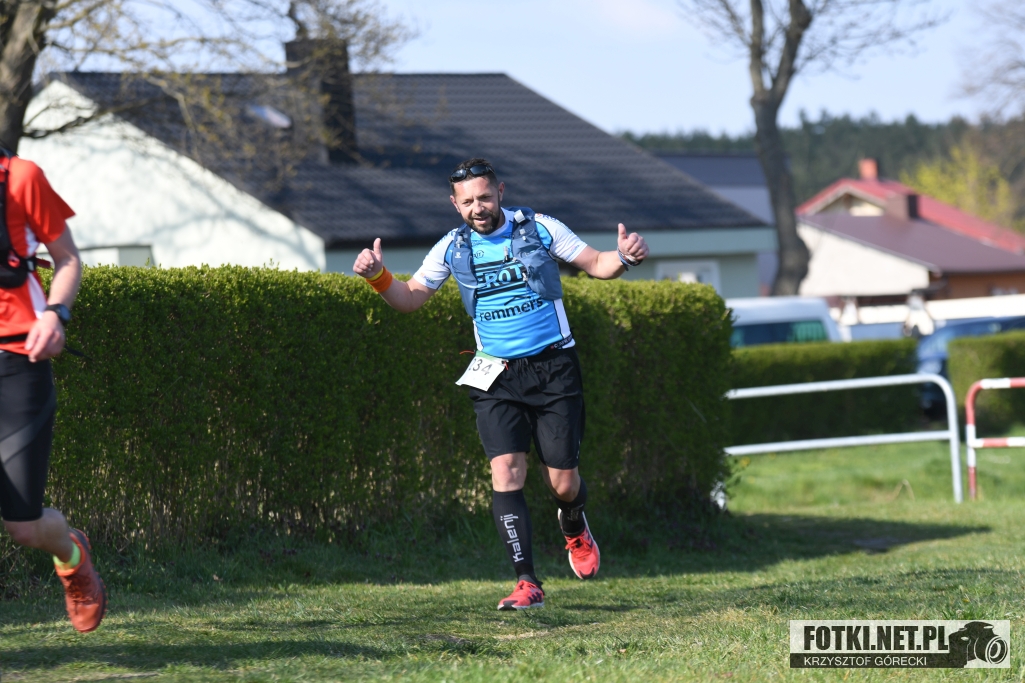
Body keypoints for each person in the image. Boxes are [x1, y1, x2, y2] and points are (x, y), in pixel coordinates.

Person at [352, 158, 649, 610]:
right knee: (506, 471)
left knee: (563, 484)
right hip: (495, 375)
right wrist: (377, 276)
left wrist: (624, 256)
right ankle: (527, 582)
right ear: (455, 205)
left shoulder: (540, 228)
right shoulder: (451, 248)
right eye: (468, 201)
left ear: (501, 193)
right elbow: (410, 298)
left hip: (553, 367)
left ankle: (573, 523)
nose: (479, 207)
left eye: (485, 197)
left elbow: (596, 263)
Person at [0, 148, 106, 632]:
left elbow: (67, 259)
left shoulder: (21, 178)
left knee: (23, 527)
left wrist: (55, 314)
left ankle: (71, 553)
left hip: (17, 362)